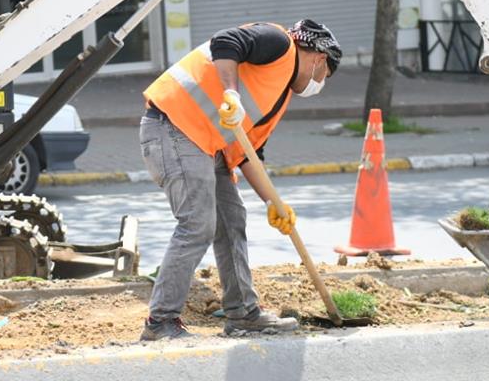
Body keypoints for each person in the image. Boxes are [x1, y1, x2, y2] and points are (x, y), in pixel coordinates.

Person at [138, 19, 343, 340]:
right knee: (198, 224)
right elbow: (225, 41)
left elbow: (249, 154)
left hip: (205, 143)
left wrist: (275, 202)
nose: (319, 83)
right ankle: (160, 322)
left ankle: (243, 314)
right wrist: (231, 94)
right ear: (319, 59)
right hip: (173, 127)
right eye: (324, 76)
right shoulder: (278, 42)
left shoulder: (277, 92)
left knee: (232, 219)